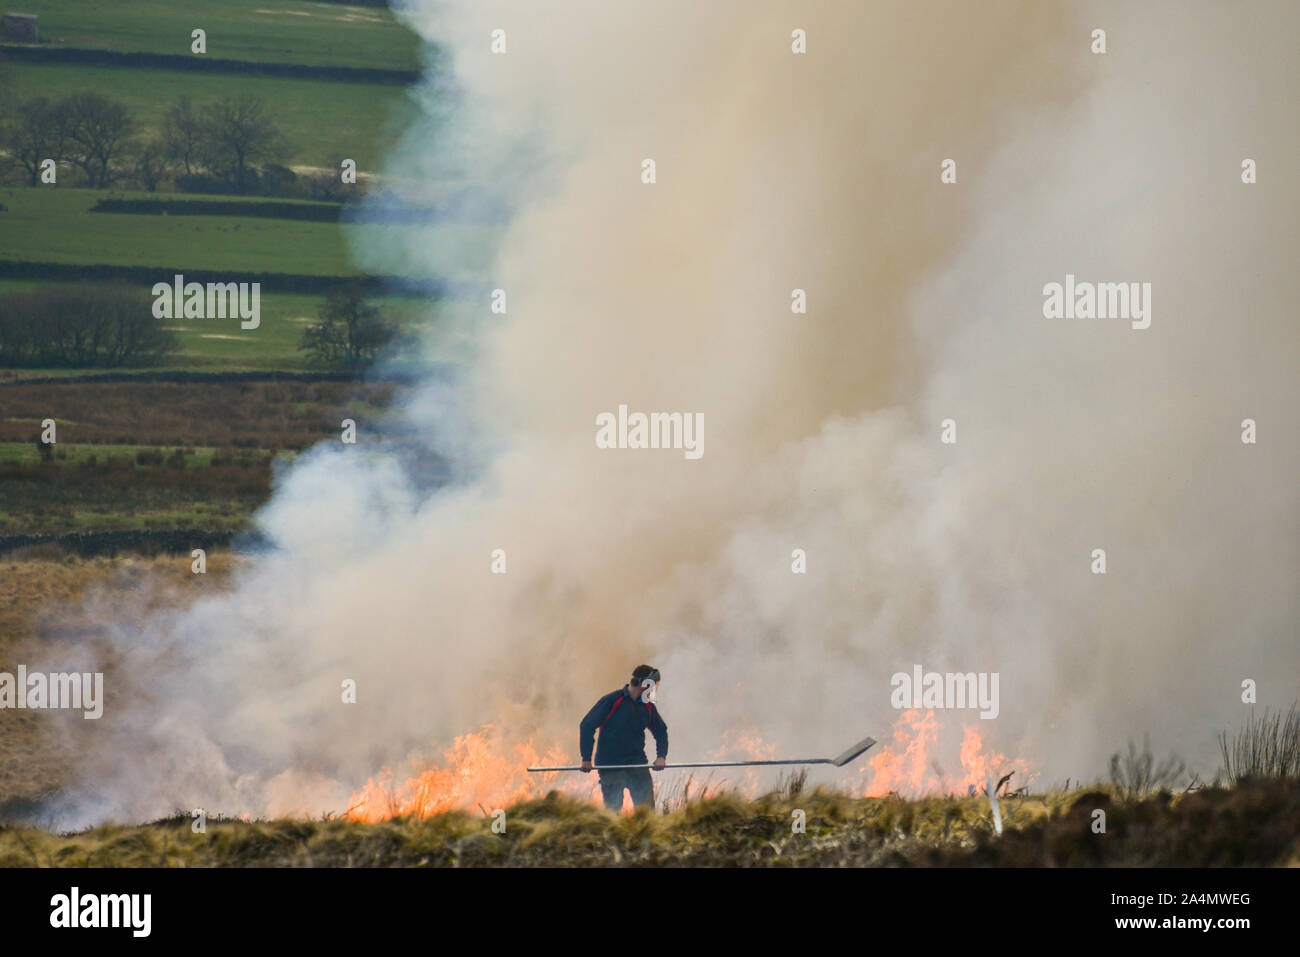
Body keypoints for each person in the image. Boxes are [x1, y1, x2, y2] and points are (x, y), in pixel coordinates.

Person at [578, 665, 669, 812]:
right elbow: (587, 726)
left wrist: (661, 756)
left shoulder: (648, 706)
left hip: (637, 763)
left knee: (646, 812)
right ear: (642, 684)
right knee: (613, 813)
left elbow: (661, 731)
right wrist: (586, 758)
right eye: (652, 685)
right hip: (610, 765)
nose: (653, 690)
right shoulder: (612, 701)